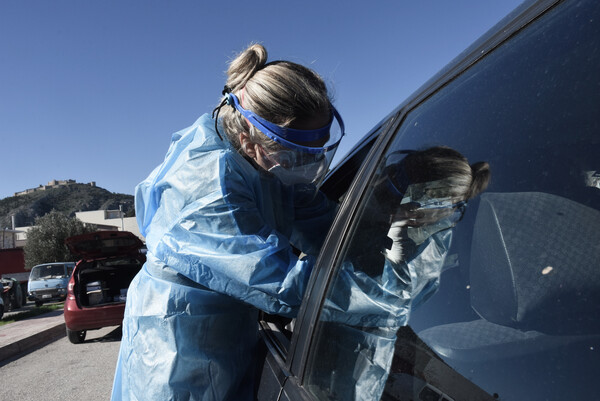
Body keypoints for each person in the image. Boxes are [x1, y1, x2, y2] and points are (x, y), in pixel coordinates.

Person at [110, 43, 344, 400]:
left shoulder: (266, 163)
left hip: (228, 327)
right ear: (250, 142)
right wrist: (395, 283)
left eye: (321, 150)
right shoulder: (205, 185)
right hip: (177, 344)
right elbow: (285, 286)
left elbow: (318, 220)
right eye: (299, 155)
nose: (310, 166)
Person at [308, 146, 491, 400]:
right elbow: (332, 226)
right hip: (328, 356)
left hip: (350, 372)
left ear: (421, 205)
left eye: (394, 193)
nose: (384, 197)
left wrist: (397, 253)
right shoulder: (395, 215)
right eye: (389, 181)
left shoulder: (426, 249)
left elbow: (384, 303)